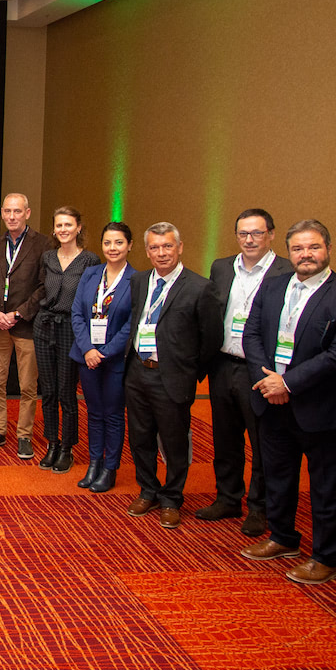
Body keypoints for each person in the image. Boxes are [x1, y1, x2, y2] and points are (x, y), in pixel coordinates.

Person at [240, 219, 336, 585]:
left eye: (313, 247)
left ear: (328, 249)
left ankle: (327, 557)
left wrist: (287, 382)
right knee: (278, 476)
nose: (306, 254)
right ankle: (282, 537)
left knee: (328, 487)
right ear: (288, 252)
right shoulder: (273, 285)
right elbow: (251, 334)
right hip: (272, 401)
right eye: (298, 248)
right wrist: (269, 382)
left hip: (323, 408)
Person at [123, 222, 220, 530]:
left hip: (173, 377)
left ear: (179, 248)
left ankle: (171, 498)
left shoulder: (200, 287)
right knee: (140, 437)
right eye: (155, 247)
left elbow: (211, 338)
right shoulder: (139, 281)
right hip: (137, 371)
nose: (161, 253)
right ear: (147, 251)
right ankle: (148, 490)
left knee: (175, 442)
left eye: (167, 246)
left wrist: (189, 371)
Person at [202, 208, 293, 534]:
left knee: (262, 440)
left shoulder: (286, 270)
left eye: (256, 233)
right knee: (225, 437)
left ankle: (259, 507)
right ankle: (228, 497)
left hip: (260, 369)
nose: (249, 239)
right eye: (243, 233)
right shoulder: (221, 267)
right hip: (223, 364)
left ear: (271, 234)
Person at [69, 222, 139, 492]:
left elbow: (131, 325)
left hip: (115, 360)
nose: (113, 248)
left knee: (113, 414)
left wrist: (104, 352)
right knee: (94, 412)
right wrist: (87, 349)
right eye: (108, 242)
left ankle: (110, 468)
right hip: (87, 356)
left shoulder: (137, 280)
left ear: (130, 245)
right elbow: (77, 313)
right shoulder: (91, 274)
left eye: (119, 242)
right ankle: (94, 463)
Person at [35, 207, 100, 471]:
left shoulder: (90, 260)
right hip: (44, 326)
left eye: (68, 225)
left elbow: (92, 298)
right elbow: (41, 288)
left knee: (66, 392)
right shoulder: (48, 257)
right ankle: (52, 442)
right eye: (59, 225)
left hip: (72, 329)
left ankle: (67, 447)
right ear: (54, 229)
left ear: (78, 228)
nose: (63, 230)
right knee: (48, 390)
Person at [0, 193, 45, 454]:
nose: (12, 216)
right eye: (7, 211)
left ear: (27, 213)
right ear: (2, 213)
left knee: (28, 385)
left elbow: (43, 287)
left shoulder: (42, 244)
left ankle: (24, 435)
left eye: (17, 211)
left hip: (25, 324)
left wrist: (19, 314)